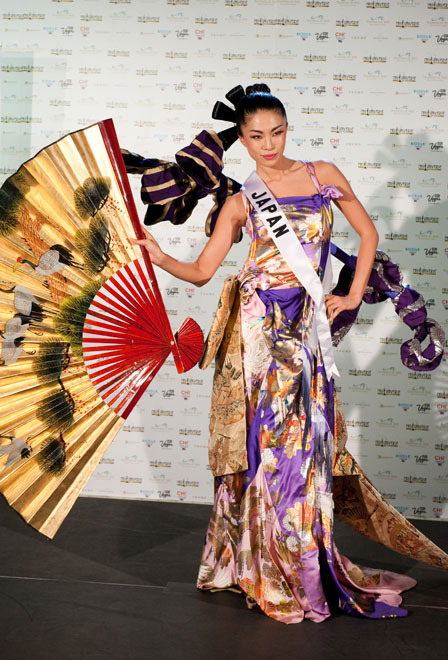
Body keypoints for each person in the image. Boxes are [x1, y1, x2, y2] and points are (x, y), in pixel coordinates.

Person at [132, 84, 446, 624]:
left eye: (277, 132)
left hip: (306, 329)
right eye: (256, 136)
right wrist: (161, 257)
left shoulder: (322, 175)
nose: (269, 143)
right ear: (243, 140)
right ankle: (264, 561)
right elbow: (203, 271)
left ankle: (302, 560)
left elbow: (367, 234)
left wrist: (353, 294)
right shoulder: (240, 201)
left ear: (287, 129)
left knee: (305, 449)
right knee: (267, 447)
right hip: (258, 334)